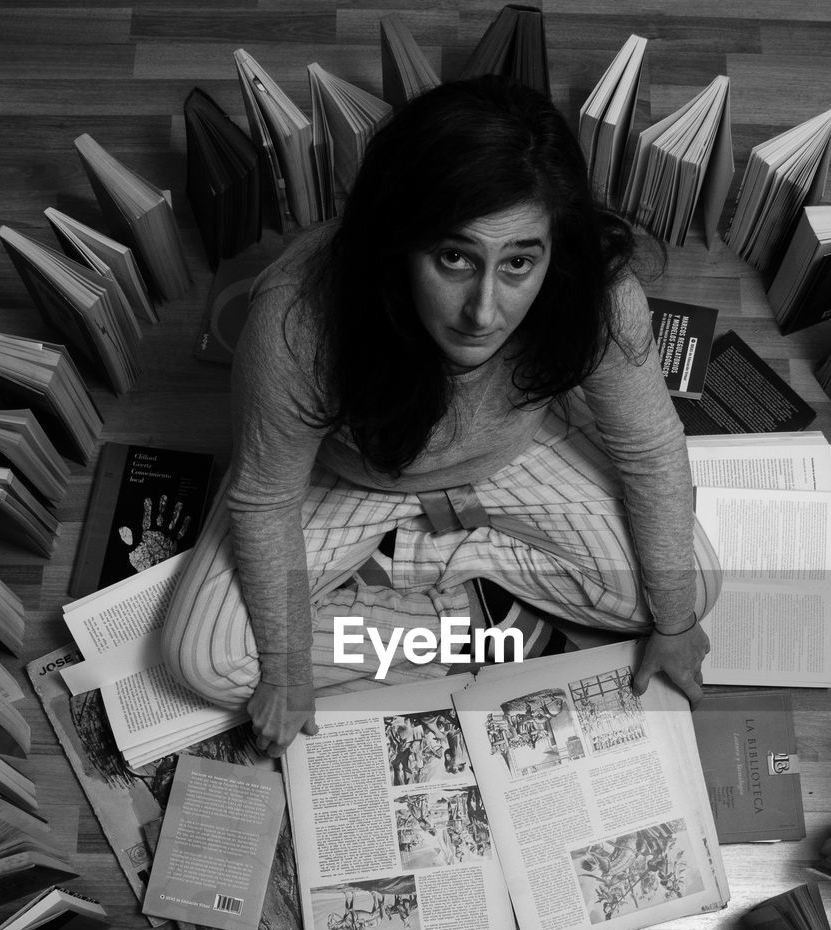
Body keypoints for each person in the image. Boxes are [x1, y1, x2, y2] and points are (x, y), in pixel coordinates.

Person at [161, 75, 722, 758]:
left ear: (555, 245)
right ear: (399, 241)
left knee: (688, 591)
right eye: (455, 257)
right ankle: (465, 614)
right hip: (349, 476)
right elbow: (266, 498)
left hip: (513, 454)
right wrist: (287, 667)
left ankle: (443, 573)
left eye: (519, 263)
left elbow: (652, 448)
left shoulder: (595, 291)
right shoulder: (297, 316)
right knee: (208, 661)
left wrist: (673, 620)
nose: (483, 312)